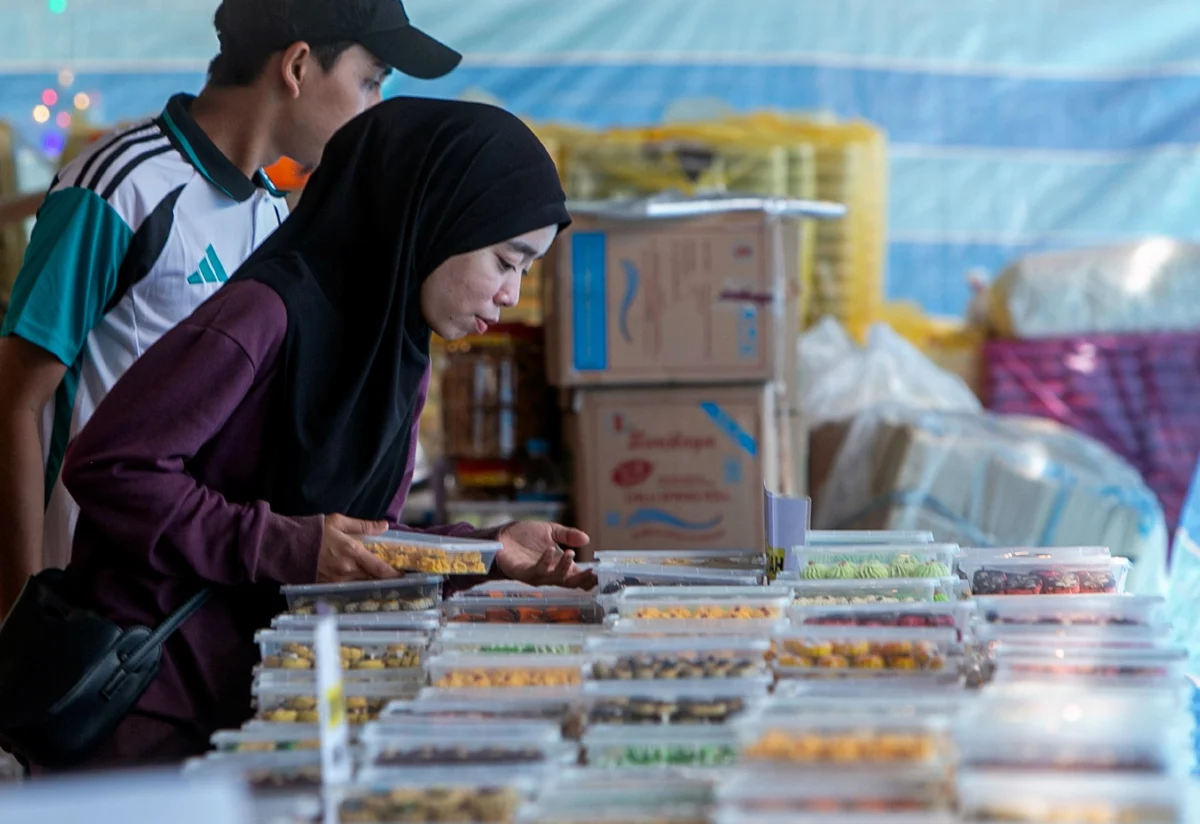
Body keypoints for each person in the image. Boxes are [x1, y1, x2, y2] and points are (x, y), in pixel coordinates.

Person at [52, 97, 593, 769]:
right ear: (435, 217)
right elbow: (110, 468)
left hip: (264, 706)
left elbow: (356, 544)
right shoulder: (265, 316)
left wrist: (488, 554)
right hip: (148, 705)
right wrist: (285, 546)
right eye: (505, 260)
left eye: (526, 271)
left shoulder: (391, 352)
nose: (511, 293)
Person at [0, 0, 462, 618]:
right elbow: (15, 400)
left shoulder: (274, 216)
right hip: (95, 608)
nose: (374, 108)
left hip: (198, 603)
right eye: (370, 80)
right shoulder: (119, 188)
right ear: (298, 66)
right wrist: (25, 601)